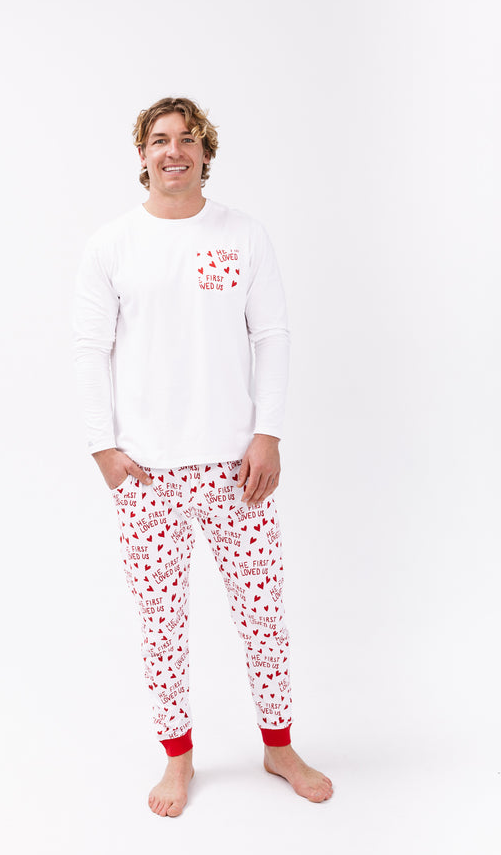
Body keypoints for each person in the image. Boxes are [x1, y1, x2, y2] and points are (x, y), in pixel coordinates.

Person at [72, 96, 334, 816]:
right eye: (160, 139)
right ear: (143, 154)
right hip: (146, 473)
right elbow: (91, 348)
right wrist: (103, 447)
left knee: (263, 615)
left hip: (236, 468)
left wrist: (267, 432)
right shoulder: (112, 245)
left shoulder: (242, 234)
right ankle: (178, 758)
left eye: (188, 139)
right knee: (162, 625)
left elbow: (271, 334)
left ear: (206, 153)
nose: (174, 151)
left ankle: (279, 746)